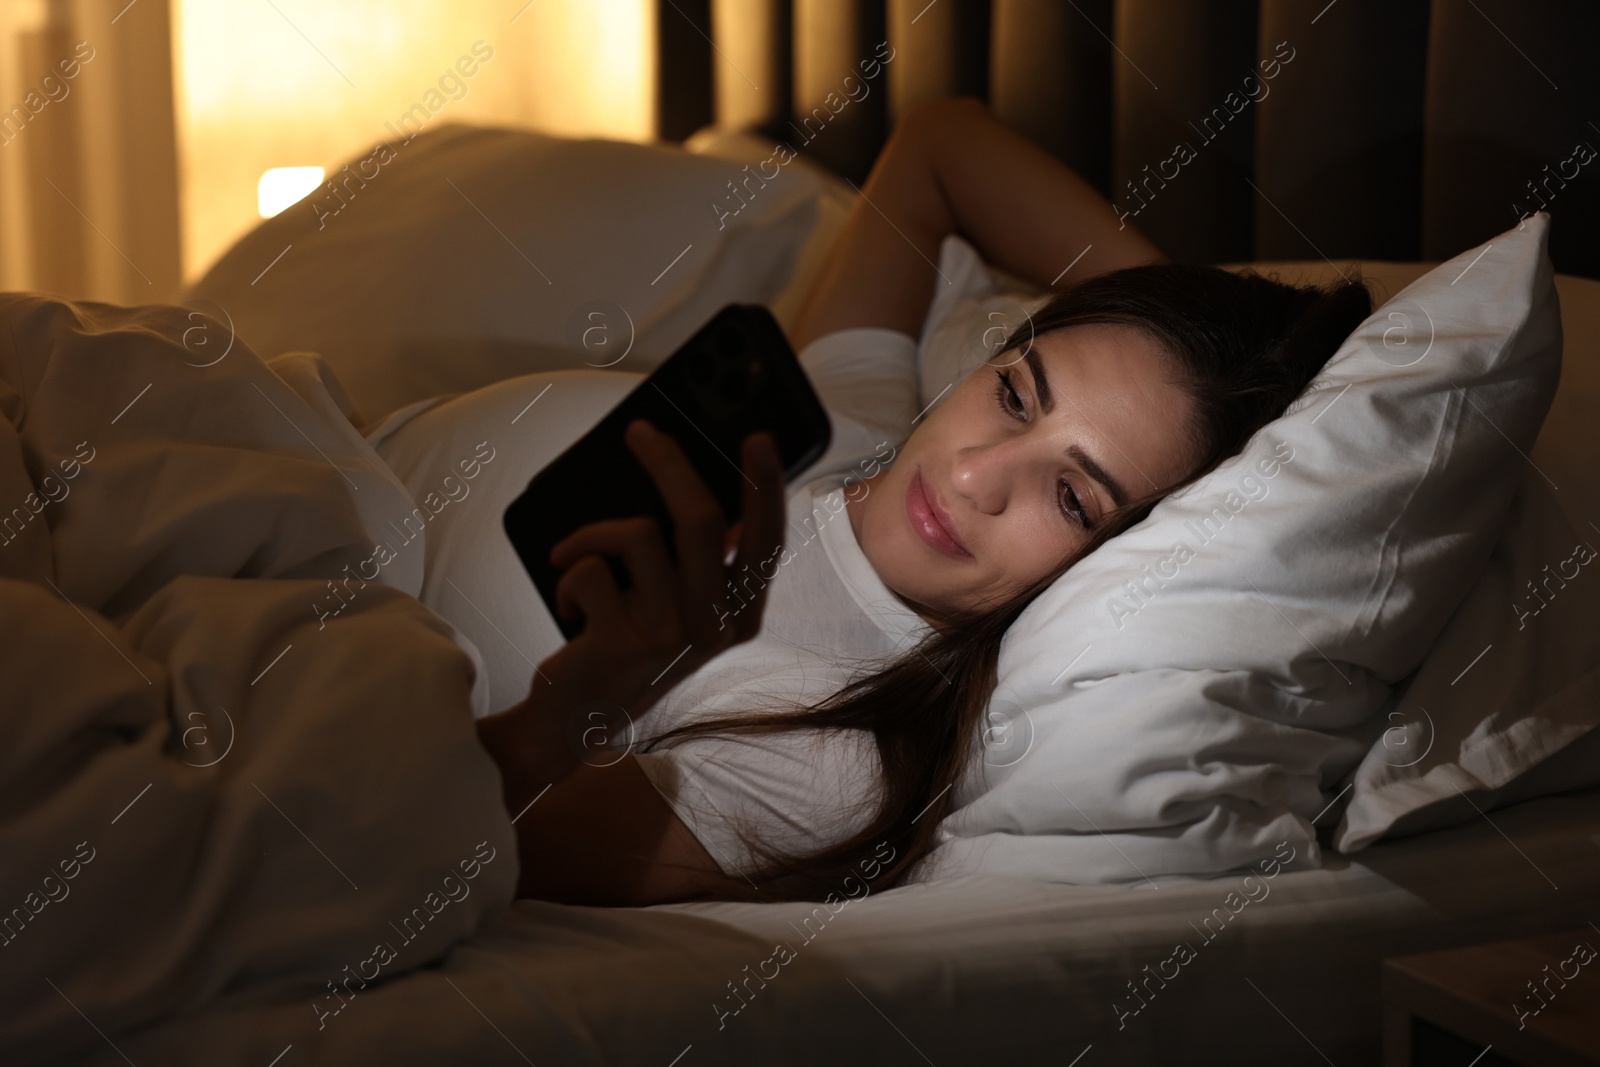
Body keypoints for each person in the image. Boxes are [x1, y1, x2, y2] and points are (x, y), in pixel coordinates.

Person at [473, 97, 1372, 905]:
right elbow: (939, 150)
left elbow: (421, 858)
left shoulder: (834, 752)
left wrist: (576, 702)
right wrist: (1195, 339)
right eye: (1016, 393)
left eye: (1071, 497)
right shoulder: (852, 419)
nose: (977, 476)